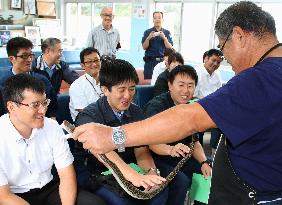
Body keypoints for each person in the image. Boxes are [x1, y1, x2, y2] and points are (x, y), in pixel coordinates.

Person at [73, 1, 282, 204]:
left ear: (238, 35)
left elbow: (188, 119)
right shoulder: (267, 76)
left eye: (222, 48)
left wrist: (113, 135)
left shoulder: (260, 79)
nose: (226, 59)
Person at [0, 74, 106, 205]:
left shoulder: (52, 126)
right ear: (11, 107)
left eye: (44, 103)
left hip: (49, 188)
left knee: (94, 203)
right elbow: (3, 195)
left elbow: (67, 176)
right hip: (13, 195)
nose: (43, 110)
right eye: (35, 105)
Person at [73, 59, 168, 205]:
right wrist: (135, 177)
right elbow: (105, 155)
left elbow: (141, 150)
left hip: (130, 166)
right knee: (122, 201)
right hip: (98, 173)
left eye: (132, 88)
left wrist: (150, 173)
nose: (128, 95)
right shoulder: (89, 117)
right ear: (105, 89)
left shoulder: (136, 112)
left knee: (159, 191)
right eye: (121, 89)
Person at [144, 65, 211, 205]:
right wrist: (170, 149)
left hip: (181, 156)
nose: (186, 91)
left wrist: (204, 162)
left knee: (209, 174)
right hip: (157, 156)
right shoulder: (156, 107)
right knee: (181, 181)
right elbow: (149, 142)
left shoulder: (191, 107)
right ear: (170, 85)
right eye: (181, 85)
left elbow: (195, 141)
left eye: (190, 86)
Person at [0, 37, 57, 118]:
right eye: (24, 56)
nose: (29, 59)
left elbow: (53, 108)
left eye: (30, 55)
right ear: (12, 59)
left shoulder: (42, 80)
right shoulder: (3, 84)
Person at [194, 49, 223, 151]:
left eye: (218, 62)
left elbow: (220, 94)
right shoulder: (196, 73)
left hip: (213, 106)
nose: (215, 64)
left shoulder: (217, 75)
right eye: (214, 60)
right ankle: (202, 150)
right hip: (199, 105)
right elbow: (193, 96)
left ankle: (215, 150)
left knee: (223, 116)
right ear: (206, 58)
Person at [69, 47, 103, 121]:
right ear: (82, 65)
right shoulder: (77, 85)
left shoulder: (108, 80)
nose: (94, 64)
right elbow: (86, 112)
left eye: (96, 60)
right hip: (87, 123)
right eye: (89, 62)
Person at [142, 11, 173, 80]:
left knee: (162, 81)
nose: (157, 19)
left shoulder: (167, 32)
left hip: (163, 62)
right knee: (149, 82)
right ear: (153, 20)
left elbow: (170, 48)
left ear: (162, 20)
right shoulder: (147, 32)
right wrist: (148, 38)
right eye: (155, 18)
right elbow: (144, 47)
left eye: (159, 17)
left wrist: (164, 38)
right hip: (150, 62)